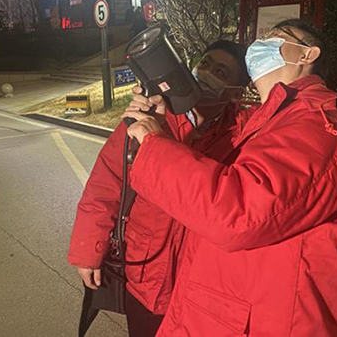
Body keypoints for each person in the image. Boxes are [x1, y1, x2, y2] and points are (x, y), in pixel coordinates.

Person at [123, 18, 337, 337]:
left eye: (274, 37)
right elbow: (207, 182)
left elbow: (235, 212)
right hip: (230, 315)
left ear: (307, 54)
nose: (259, 45)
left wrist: (154, 144)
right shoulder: (270, 122)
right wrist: (164, 132)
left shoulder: (318, 128)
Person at [68, 40, 251, 336]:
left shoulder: (244, 136)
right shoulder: (151, 116)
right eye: (204, 64)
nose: (207, 74)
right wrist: (89, 249)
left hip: (200, 286)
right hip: (146, 275)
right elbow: (107, 180)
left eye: (221, 72)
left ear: (236, 93)